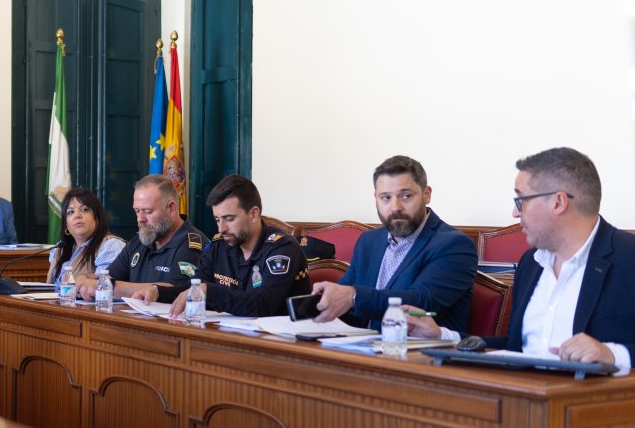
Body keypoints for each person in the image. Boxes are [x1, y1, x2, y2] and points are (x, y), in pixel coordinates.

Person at [407, 147, 635, 368]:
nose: (515, 212)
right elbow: (520, 349)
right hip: (522, 400)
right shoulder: (531, 264)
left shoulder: (628, 258)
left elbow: (614, 353)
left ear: (558, 202)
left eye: (521, 200)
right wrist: (442, 336)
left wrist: (614, 354)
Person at [311, 155, 476, 332]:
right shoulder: (368, 241)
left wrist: (353, 296)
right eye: (385, 198)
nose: (395, 207)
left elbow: (422, 302)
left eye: (405, 196)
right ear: (375, 198)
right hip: (360, 349)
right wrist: (322, 302)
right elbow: (345, 295)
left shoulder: (455, 245)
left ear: (426, 194)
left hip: (418, 354)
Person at [133, 175, 311, 317]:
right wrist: (158, 292)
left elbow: (263, 305)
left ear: (254, 214)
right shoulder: (220, 245)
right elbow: (194, 287)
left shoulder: (282, 249)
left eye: (229, 218)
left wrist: (210, 292)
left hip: (281, 345)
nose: (221, 228)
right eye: (217, 219)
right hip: (231, 338)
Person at [74, 174, 206, 300]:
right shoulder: (140, 241)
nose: (140, 219)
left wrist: (106, 286)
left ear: (171, 208)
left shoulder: (191, 243)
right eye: (137, 211)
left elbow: (176, 289)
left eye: (148, 211)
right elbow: (108, 276)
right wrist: (84, 278)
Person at [46, 187, 125, 283]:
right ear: (66, 224)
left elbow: (102, 288)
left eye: (84, 209)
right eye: (70, 212)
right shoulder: (60, 249)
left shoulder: (110, 246)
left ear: (97, 217)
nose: (77, 215)